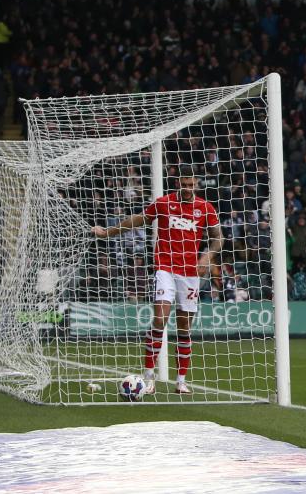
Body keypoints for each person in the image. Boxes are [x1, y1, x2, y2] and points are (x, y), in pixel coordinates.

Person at [92, 165, 221, 395]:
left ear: (196, 185)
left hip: (190, 272)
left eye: (191, 185)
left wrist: (208, 255)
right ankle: (149, 377)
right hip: (165, 268)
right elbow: (138, 220)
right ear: (177, 184)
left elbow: (218, 238)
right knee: (160, 319)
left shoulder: (206, 208)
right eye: (184, 184)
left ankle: (181, 381)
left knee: (184, 327)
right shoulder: (163, 203)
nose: (188, 189)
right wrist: (108, 232)